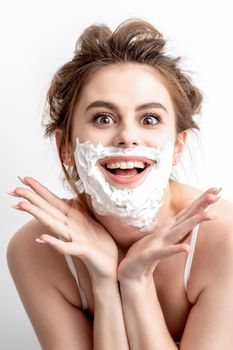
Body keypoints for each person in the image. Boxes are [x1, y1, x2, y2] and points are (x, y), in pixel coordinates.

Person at [7, 18, 233, 349]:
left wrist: (136, 281)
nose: (127, 136)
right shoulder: (37, 251)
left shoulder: (224, 239)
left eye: (150, 119)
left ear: (178, 146)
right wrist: (103, 281)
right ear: (66, 147)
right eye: (103, 118)